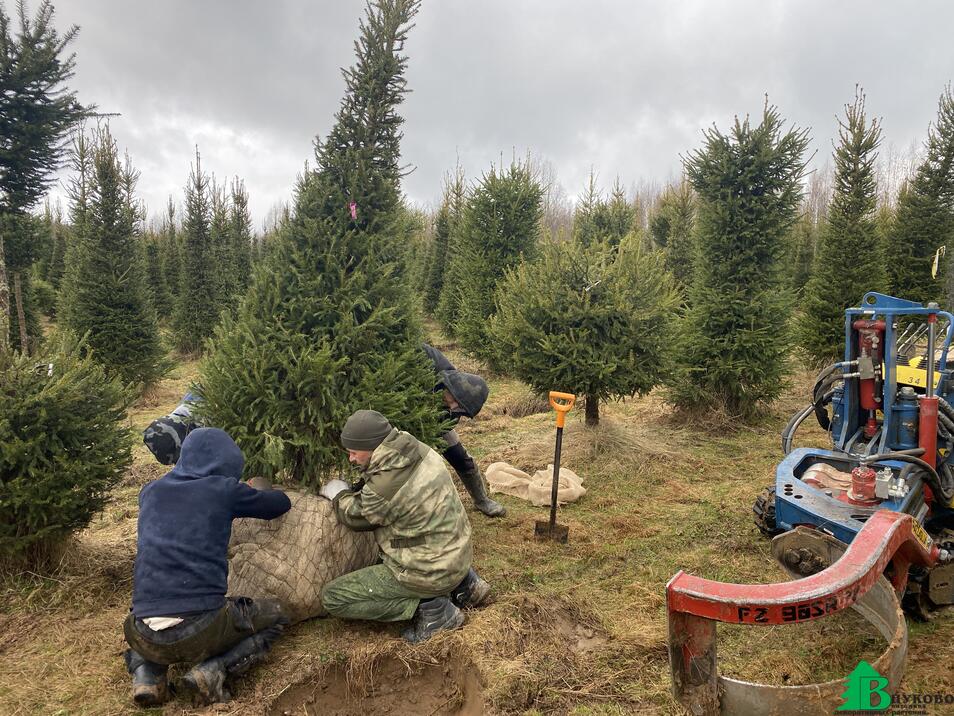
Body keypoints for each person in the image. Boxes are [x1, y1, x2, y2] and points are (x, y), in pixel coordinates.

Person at [123, 428, 292, 707]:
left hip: (140, 630)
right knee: (278, 614)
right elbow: (279, 504)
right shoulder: (222, 490)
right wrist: (256, 489)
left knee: (150, 620)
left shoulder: (149, 492)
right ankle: (215, 670)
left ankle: (148, 676)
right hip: (200, 626)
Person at [319, 409, 490, 642]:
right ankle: (466, 585)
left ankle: (434, 609)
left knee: (333, 597)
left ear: (371, 447)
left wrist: (338, 495)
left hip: (428, 571)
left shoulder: (386, 487)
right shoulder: (414, 447)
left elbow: (356, 517)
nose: (350, 459)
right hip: (456, 553)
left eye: (353, 452)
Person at [422, 343, 506, 517]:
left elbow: (440, 431)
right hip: (398, 412)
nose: (453, 407)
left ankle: (482, 500)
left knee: (459, 456)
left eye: (460, 408)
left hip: (432, 422)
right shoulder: (430, 360)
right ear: (454, 388)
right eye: (455, 402)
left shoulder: (453, 411)